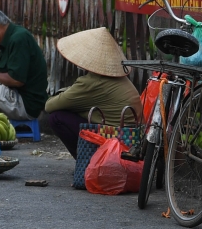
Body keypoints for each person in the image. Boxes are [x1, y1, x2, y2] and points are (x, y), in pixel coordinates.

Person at [44, 28, 142, 157]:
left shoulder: (92, 82)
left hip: (116, 136)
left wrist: (66, 94)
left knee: (56, 118)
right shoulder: (117, 77)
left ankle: (86, 161)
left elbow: (49, 106)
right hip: (131, 134)